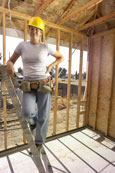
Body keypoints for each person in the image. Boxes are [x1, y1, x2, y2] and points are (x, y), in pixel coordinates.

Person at [6, 16, 64, 149]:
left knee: (43, 115)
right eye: (32, 28)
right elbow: (11, 60)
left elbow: (61, 57)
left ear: (41, 32)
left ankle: (39, 141)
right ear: (29, 30)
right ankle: (33, 122)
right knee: (27, 112)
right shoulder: (22, 45)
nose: (34, 31)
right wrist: (9, 64)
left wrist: (50, 66)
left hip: (44, 83)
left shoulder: (46, 46)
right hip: (28, 84)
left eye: (37, 29)